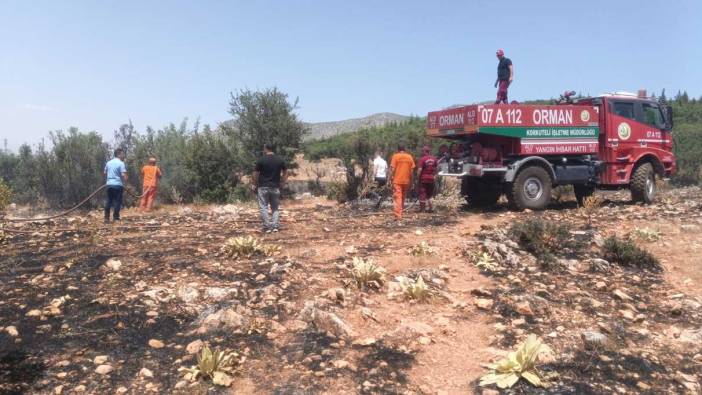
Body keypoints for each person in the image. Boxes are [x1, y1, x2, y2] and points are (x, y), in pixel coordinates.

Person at [252, 144, 287, 233]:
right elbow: (285, 172)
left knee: (263, 207)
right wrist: (282, 183)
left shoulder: (261, 160)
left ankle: (267, 227)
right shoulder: (280, 160)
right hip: (275, 187)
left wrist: (254, 184)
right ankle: (275, 226)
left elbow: (255, 173)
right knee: (275, 208)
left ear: (265, 149)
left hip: (263, 187)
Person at [389, 143, 415, 221]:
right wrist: (412, 181)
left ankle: (398, 215)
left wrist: (390, 178)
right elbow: (412, 171)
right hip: (406, 180)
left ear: (398, 149)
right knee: (403, 197)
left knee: (398, 197)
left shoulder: (395, 156)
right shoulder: (409, 157)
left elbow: (392, 169)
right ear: (404, 149)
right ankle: (400, 212)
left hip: (397, 180)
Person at [104, 148, 127, 223]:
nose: (124, 156)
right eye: (123, 154)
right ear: (119, 154)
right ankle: (116, 218)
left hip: (109, 185)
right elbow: (123, 175)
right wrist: (126, 179)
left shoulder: (108, 162)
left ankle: (106, 218)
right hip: (117, 185)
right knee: (117, 201)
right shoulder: (121, 163)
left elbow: (105, 173)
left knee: (109, 201)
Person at [417, 146, 438, 212]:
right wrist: (435, 176)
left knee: (422, 193)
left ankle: (422, 209)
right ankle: (431, 208)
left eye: (422, 151)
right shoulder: (434, 159)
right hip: (431, 179)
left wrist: (418, 178)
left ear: (424, 151)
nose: (421, 152)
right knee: (430, 194)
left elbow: (419, 170)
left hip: (423, 179)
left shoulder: (422, 159)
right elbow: (437, 169)